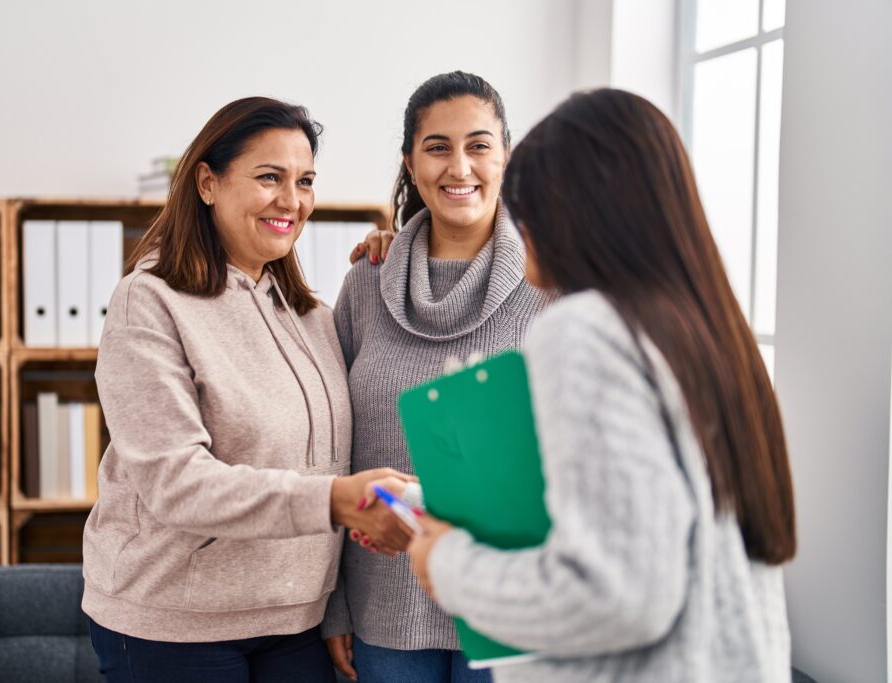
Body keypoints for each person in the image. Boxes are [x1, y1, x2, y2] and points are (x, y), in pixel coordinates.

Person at [407, 88, 796, 682]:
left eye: (524, 209)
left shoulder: (584, 330)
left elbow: (618, 594)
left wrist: (448, 565)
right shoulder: (708, 331)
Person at [82, 96, 413, 683]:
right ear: (208, 183)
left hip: (294, 621)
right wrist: (333, 499)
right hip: (174, 625)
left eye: (304, 180)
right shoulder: (149, 302)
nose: (292, 200)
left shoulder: (313, 317)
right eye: (269, 178)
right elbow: (175, 483)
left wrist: (399, 253)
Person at [323, 72, 552, 683]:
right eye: (438, 146)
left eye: (479, 145)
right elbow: (333, 452)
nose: (460, 166)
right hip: (383, 611)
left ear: (505, 155)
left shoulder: (552, 284)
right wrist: (334, 605)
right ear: (411, 163)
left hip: (509, 604)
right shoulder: (366, 285)